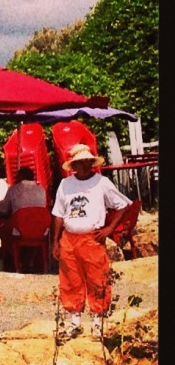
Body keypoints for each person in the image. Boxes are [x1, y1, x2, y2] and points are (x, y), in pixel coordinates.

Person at [51, 143, 132, 340]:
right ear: (74, 165)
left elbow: (122, 204)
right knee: (70, 280)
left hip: (91, 239)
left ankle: (97, 323)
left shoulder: (102, 182)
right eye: (79, 162)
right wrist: (55, 241)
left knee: (97, 278)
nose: (84, 165)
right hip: (69, 238)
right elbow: (59, 214)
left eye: (87, 162)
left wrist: (109, 229)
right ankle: (74, 322)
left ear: (91, 162)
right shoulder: (65, 184)